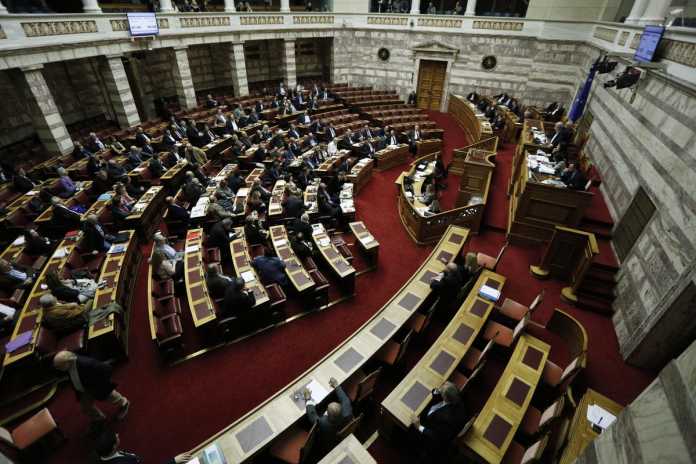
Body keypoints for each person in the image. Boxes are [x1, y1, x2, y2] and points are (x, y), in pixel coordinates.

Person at [52, 350, 130, 423]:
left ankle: (124, 403)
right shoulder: (67, 367)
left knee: (111, 397)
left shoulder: (86, 363)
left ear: (68, 361)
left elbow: (106, 369)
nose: (59, 369)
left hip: (96, 387)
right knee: (86, 407)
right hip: (84, 389)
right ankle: (99, 418)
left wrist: (101, 385)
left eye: (60, 366)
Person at [412, 381, 467, 457]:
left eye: (442, 392)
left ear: (445, 397)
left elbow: (436, 436)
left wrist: (419, 427)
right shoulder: (457, 399)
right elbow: (440, 399)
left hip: (431, 437)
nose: (440, 389)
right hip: (436, 420)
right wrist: (437, 392)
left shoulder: (446, 418)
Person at [304, 377, 353, 456]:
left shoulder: (323, 423)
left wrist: (308, 399)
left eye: (327, 410)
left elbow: (312, 415)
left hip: (329, 442)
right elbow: (344, 399)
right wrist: (336, 385)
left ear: (328, 415)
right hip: (342, 429)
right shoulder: (347, 411)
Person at [95, 429, 192, 464]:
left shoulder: (103, 455)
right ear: (113, 447)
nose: (117, 434)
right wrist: (174, 461)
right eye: (115, 437)